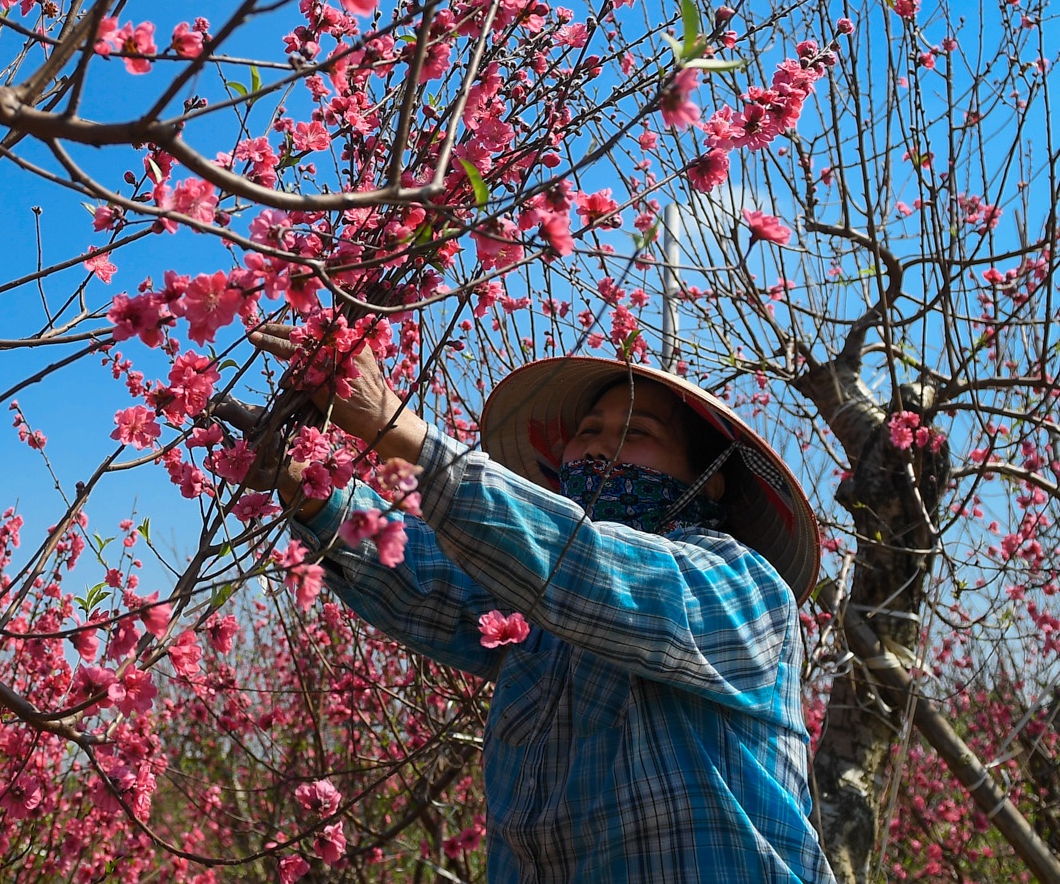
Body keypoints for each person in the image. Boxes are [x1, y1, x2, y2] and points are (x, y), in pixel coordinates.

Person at [231, 333, 835, 882]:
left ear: (711, 482)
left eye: (638, 434)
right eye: (590, 431)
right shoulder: (536, 623)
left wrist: (395, 427)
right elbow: (431, 578)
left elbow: (595, 572)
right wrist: (305, 486)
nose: (602, 448)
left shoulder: (743, 587)